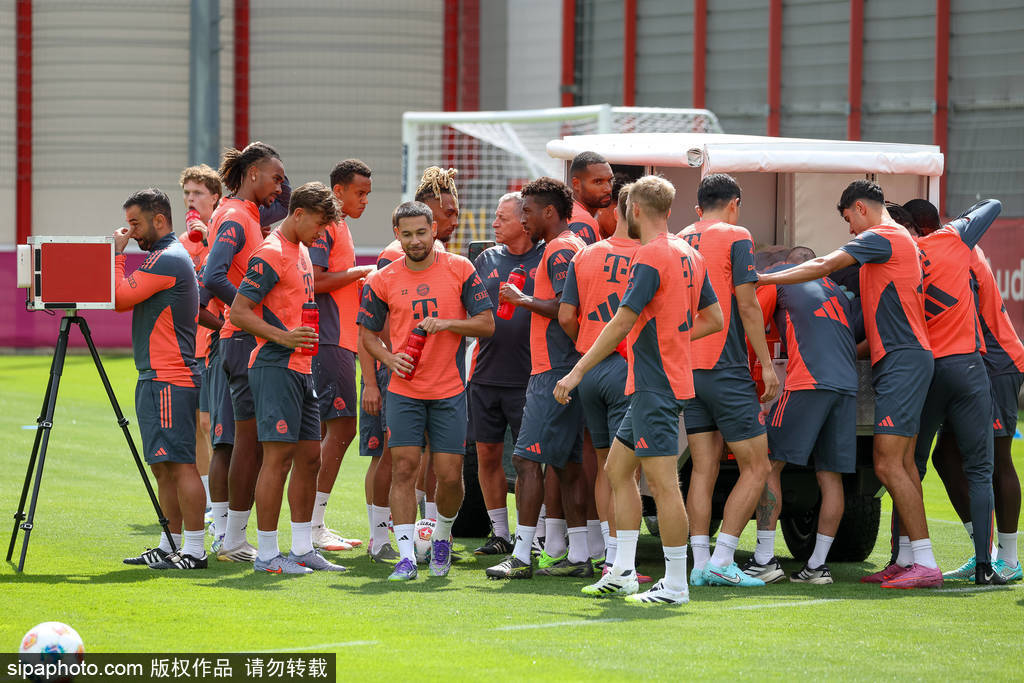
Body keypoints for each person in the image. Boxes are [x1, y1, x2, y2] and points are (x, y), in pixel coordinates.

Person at [757, 180, 940, 589]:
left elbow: (825, 264)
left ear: (860, 207)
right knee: (901, 465)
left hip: (901, 359)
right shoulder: (895, 243)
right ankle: (907, 559)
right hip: (897, 358)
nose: (852, 231)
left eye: (848, 220)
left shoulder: (882, 235)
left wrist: (766, 278)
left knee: (888, 464)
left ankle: (925, 563)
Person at [555, 175, 722, 604]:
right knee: (616, 470)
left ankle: (676, 584)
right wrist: (674, 338)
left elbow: (622, 321)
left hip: (656, 385)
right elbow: (714, 319)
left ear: (634, 210)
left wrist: (576, 372)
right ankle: (623, 571)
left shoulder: (651, 254)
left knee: (663, 484)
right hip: (655, 382)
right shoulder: (689, 253)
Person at [358, 201, 494, 581]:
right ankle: (405, 556)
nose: (415, 240)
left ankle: (442, 537)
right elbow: (367, 335)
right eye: (407, 234)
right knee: (403, 468)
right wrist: (389, 359)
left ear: (434, 230)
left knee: (449, 476)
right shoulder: (382, 279)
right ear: (396, 234)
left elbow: (486, 324)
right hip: (404, 391)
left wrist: (447, 324)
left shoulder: (460, 268)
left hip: (449, 390)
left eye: (421, 232)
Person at [229, 181, 346, 574]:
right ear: (298, 214)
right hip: (274, 365)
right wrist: (283, 337)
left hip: (302, 368)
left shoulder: (303, 251)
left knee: (310, 458)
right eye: (319, 224)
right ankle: (266, 555)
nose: (322, 233)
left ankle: (301, 548)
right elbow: (239, 312)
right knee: (277, 460)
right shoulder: (271, 253)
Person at [485, 177, 589, 580]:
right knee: (567, 466)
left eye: (527, 210)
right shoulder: (573, 245)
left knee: (526, 459)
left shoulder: (560, 249)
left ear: (549, 211)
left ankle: (522, 556)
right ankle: (579, 555)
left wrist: (522, 299)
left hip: (555, 369)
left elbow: (566, 309)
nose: (523, 218)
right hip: (568, 367)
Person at [679, 173, 779, 588]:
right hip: (726, 367)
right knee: (757, 466)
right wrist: (767, 365)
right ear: (734, 203)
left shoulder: (680, 237)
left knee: (702, 469)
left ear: (698, 206)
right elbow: (748, 303)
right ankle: (722, 559)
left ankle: (700, 563)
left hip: (688, 367)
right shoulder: (737, 234)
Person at [898, 198, 1004, 585]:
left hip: (926, 372)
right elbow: (993, 205)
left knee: (909, 466)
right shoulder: (950, 240)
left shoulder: (893, 257)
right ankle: (984, 567)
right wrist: (956, 225)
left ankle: (904, 559)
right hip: (967, 369)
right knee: (980, 471)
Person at [746, 246, 859, 585]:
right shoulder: (835, 289)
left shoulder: (778, 277)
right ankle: (817, 566)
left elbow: (753, 321)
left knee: (768, 463)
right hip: (847, 386)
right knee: (830, 475)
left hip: (808, 381)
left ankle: (764, 559)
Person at [204, 141, 286, 562]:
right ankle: (232, 538)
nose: (281, 187)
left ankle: (228, 535)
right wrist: (250, 312)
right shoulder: (236, 216)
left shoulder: (245, 214)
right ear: (253, 174)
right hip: (243, 340)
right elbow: (212, 275)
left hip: (238, 338)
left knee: (238, 443)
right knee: (245, 444)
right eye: (276, 177)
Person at [116, 189, 206, 570]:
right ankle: (170, 544)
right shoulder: (164, 256)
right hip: (158, 378)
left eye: (135, 223)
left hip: (170, 378)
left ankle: (195, 550)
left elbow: (119, 297)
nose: (130, 231)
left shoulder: (168, 258)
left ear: (159, 220)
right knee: (163, 467)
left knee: (181, 464)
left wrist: (116, 255)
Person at [557, 181, 642, 577]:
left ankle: (609, 554)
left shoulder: (585, 254)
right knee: (628, 471)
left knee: (605, 464)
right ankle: (619, 561)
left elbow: (566, 316)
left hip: (589, 369)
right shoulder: (651, 254)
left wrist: (588, 349)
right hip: (628, 367)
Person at [469, 192, 545, 555]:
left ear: (524, 221)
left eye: (502, 218)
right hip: (485, 375)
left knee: (532, 460)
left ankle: (539, 535)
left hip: (531, 377)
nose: (494, 223)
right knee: (487, 455)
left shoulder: (546, 257)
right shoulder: (486, 259)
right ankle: (500, 533)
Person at [308, 160, 376, 552]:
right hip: (328, 339)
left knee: (320, 434)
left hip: (338, 338)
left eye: (367, 194)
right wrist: (359, 273)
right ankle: (312, 527)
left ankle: (310, 525)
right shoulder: (328, 226)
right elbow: (315, 280)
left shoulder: (340, 226)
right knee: (343, 428)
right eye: (359, 193)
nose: (364, 200)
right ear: (338, 191)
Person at [177, 164, 223, 526]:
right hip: (187, 346)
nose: (191, 200)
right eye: (187, 194)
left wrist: (207, 239)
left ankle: (221, 501)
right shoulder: (181, 243)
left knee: (210, 423)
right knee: (195, 424)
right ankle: (207, 497)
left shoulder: (222, 235)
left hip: (217, 342)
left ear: (215, 198)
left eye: (198, 193)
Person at [567, 152, 613, 245]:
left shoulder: (568, 212)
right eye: (598, 182)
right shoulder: (582, 220)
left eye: (610, 180)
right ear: (576, 184)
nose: (608, 189)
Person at [414, 166, 461, 246]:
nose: (455, 223)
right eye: (449, 214)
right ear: (425, 212)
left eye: (456, 215)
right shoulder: (397, 252)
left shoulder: (438, 249)